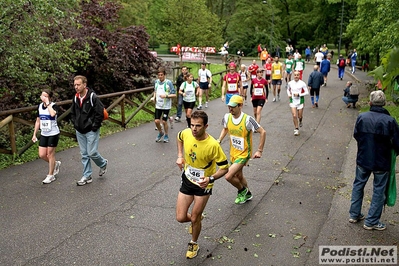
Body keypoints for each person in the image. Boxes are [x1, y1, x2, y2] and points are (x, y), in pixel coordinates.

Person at [175, 110, 229, 259]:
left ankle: (194, 242)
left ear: (206, 126)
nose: (194, 129)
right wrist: (180, 156)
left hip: (203, 185)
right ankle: (196, 220)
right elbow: (179, 138)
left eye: (198, 126)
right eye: (192, 125)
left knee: (194, 217)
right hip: (187, 179)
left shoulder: (213, 145)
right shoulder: (186, 133)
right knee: (180, 217)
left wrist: (210, 179)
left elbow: (225, 168)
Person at [349, 90, 399, 231]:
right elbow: (397, 143)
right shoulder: (390, 121)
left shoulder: (362, 117)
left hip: (363, 158)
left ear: (370, 103)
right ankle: (371, 221)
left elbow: (356, 135)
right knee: (379, 189)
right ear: (384, 103)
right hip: (382, 161)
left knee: (358, 184)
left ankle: (354, 214)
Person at [217, 95, 266, 204]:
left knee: (228, 176)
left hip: (244, 154)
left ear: (240, 106)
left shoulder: (248, 120)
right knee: (239, 176)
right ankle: (248, 193)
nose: (230, 109)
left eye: (233, 107)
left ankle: (242, 190)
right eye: (229, 106)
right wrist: (219, 140)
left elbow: (263, 132)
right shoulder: (227, 117)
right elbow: (225, 128)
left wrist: (259, 150)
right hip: (233, 153)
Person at [71, 75, 108, 186]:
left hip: (91, 130)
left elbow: (100, 112)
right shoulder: (75, 97)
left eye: (78, 84)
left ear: (84, 85)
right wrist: (75, 124)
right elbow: (72, 112)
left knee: (92, 152)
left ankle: (103, 163)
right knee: (84, 154)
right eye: (75, 85)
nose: (76, 87)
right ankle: (87, 176)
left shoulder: (92, 97)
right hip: (80, 130)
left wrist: (94, 126)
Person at [32, 90, 61, 184]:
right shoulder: (40, 106)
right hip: (44, 133)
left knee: (50, 154)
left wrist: (48, 104)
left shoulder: (54, 106)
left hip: (53, 133)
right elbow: (38, 121)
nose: (43, 97)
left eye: (46, 96)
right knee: (42, 155)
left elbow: (53, 114)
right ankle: (55, 164)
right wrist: (34, 134)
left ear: (50, 97)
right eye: (42, 95)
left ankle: (50, 175)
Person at [151, 67, 176, 143]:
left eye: (161, 75)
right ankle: (160, 132)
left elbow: (174, 94)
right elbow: (155, 91)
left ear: (165, 75)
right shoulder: (156, 82)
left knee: (164, 122)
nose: (160, 76)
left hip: (166, 106)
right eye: (159, 75)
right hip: (158, 105)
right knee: (156, 121)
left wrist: (166, 96)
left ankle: (166, 135)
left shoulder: (168, 83)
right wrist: (154, 97)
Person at [287, 71, 309, 136]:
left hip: (300, 101)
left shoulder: (302, 83)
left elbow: (307, 92)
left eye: (297, 75)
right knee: (294, 115)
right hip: (293, 101)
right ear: (293, 76)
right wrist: (289, 94)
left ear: (299, 76)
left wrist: (299, 94)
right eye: (295, 75)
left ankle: (301, 120)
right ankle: (296, 129)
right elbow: (288, 89)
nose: (296, 76)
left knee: (299, 116)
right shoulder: (290, 83)